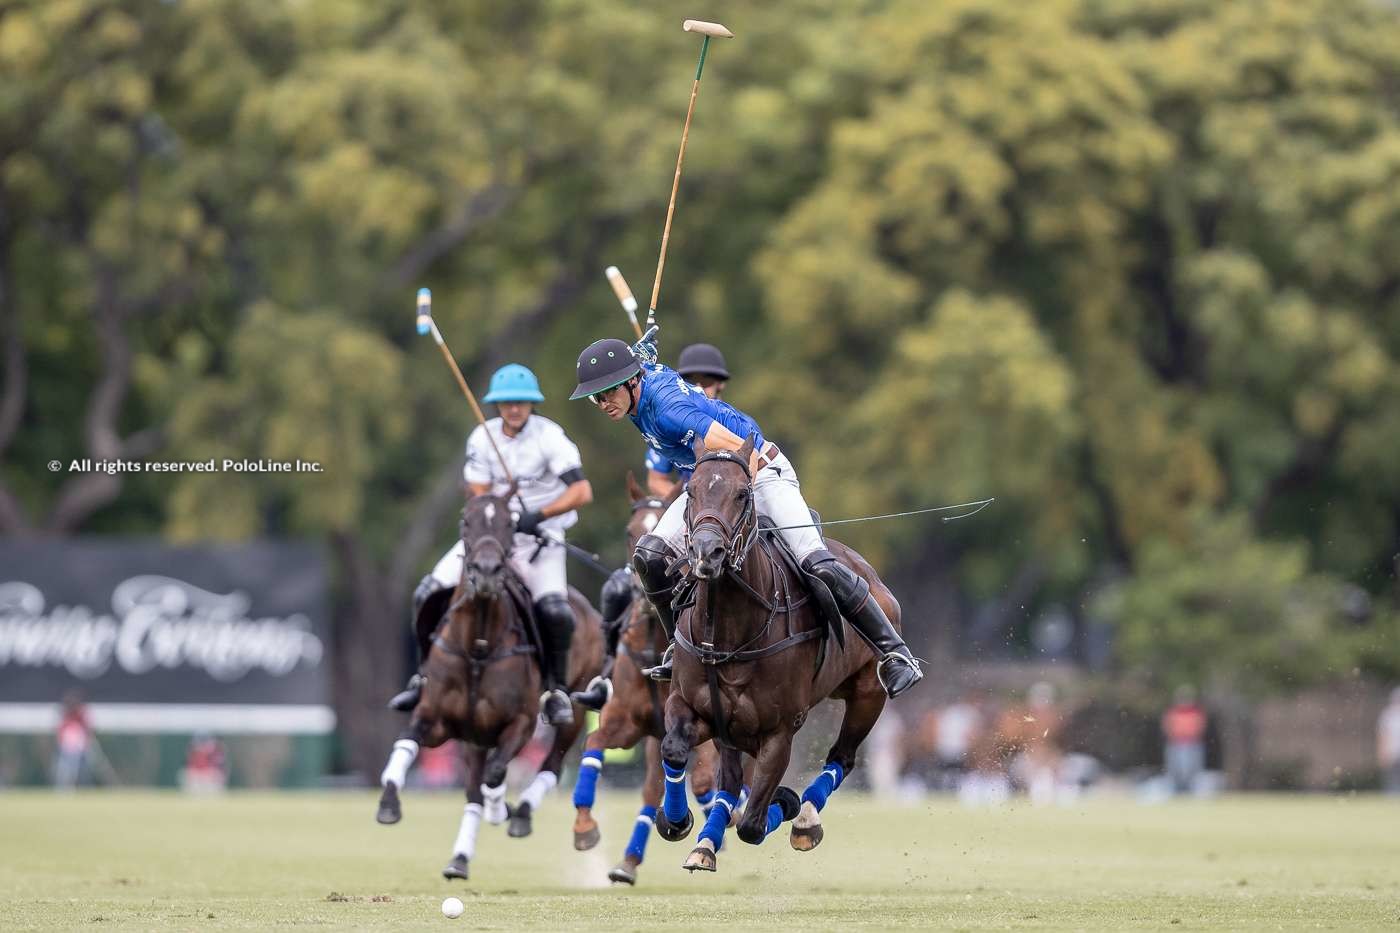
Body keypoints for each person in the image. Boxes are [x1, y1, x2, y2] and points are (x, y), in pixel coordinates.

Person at [568, 336, 921, 698]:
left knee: (817, 562)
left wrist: (738, 498)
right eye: (597, 396)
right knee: (649, 555)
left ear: (631, 381)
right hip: (710, 479)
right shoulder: (640, 383)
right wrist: (641, 350)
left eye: (609, 392)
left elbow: (736, 446)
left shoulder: (670, 411)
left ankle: (894, 653)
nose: (603, 402)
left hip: (759, 470)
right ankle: (678, 646)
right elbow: (650, 364)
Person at [388, 363, 594, 726]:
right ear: (496, 405)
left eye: (521, 402)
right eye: (506, 403)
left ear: (532, 405)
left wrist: (539, 514)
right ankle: (422, 676)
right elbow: (478, 493)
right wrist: (497, 512)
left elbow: (581, 491)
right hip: (490, 537)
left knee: (556, 613)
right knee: (427, 592)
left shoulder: (551, 438)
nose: (513, 409)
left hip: (539, 540)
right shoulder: (482, 438)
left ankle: (554, 689)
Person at [572, 343, 734, 712]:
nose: (701, 387)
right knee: (623, 583)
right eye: (694, 381)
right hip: (684, 503)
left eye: (708, 383)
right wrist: (681, 494)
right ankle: (608, 673)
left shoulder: (708, 414)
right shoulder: (657, 415)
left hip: (725, 499)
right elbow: (656, 481)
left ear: (720, 388)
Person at [1162, 684, 1207, 795]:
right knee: (1175, 770)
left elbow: (1200, 726)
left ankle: (1191, 792)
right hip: (1177, 744)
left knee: (1192, 770)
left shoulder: (1196, 712)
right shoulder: (1173, 712)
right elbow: (1168, 726)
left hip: (1192, 744)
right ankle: (1176, 792)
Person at [53, 691, 92, 790]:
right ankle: (64, 788)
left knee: (80, 770)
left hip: (79, 748)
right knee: (64, 769)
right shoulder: (65, 717)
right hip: (66, 747)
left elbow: (86, 730)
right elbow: (60, 731)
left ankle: (81, 787)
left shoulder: (81, 716)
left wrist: (85, 743)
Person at [1378, 686, 1400, 795]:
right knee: (1393, 779)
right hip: (1393, 753)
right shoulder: (1389, 715)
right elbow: (1384, 736)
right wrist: (1383, 753)